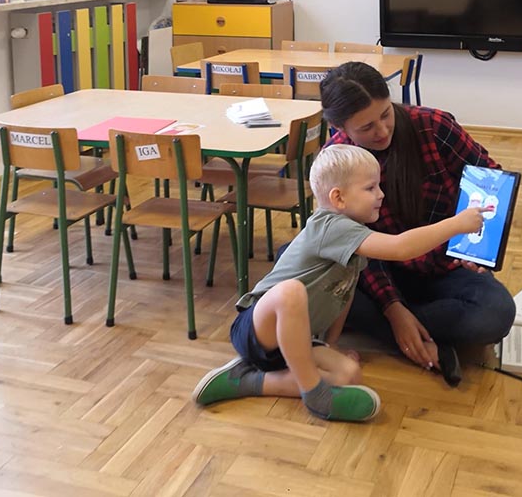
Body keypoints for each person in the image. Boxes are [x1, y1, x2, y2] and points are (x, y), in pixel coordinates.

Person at [192, 144, 487, 421]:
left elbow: (342, 295)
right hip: (256, 330)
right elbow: (400, 247)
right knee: (291, 292)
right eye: (371, 188)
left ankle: (247, 380)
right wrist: (456, 224)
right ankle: (314, 394)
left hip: (294, 343)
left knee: (349, 374)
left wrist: (330, 344)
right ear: (338, 198)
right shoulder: (331, 226)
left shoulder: (353, 236)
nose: (381, 194)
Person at [319, 61, 517, 384]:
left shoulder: (432, 126)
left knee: (496, 313)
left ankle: (398, 332)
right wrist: (393, 307)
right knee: (303, 270)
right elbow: (353, 249)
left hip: (445, 266)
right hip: (379, 271)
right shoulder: (336, 163)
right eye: (366, 128)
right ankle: (420, 334)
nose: (382, 131)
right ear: (340, 128)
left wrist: (478, 247)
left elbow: (490, 179)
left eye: (386, 114)